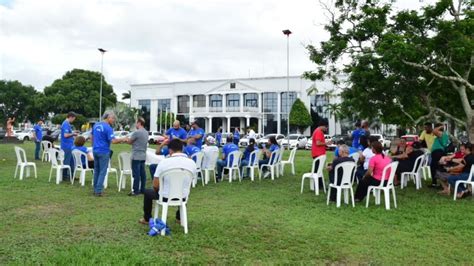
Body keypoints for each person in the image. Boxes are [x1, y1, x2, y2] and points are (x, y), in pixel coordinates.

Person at [138, 139, 196, 225]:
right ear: (182, 149)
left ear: (170, 150)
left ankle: (147, 218)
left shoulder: (164, 162)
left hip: (165, 196)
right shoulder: (192, 163)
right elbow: (190, 182)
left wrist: (160, 190)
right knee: (183, 189)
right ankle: (179, 217)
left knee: (147, 192)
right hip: (183, 196)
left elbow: (155, 185)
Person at [91, 112, 125, 196]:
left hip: (95, 150)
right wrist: (123, 139)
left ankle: (95, 189)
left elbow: (92, 137)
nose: (113, 120)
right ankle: (98, 191)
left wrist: (93, 146)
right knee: (102, 171)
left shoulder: (96, 125)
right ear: (108, 118)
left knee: (96, 171)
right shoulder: (108, 128)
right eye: (113, 118)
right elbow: (113, 141)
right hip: (104, 151)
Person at [125, 117, 149, 196]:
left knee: (136, 174)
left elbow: (130, 141)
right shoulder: (146, 132)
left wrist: (125, 139)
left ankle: (135, 191)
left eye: (136, 123)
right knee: (143, 174)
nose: (135, 124)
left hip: (136, 155)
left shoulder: (137, 132)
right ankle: (142, 189)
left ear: (139, 123)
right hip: (143, 155)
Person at [430, 123, 449, 188]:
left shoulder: (441, 134)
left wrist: (440, 126)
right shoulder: (441, 134)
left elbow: (434, 131)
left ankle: (435, 183)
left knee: (435, 167)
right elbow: (433, 133)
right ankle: (440, 183)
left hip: (438, 153)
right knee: (438, 167)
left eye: (436, 127)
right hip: (438, 153)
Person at [61, 112, 78, 181]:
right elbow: (65, 135)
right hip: (66, 146)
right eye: (73, 119)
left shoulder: (67, 124)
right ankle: (65, 176)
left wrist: (73, 132)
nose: (73, 120)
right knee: (66, 162)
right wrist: (73, 134)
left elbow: (68, 133)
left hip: (69, 146)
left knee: (72, 162)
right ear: (70, 117)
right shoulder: (65, 124)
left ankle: (72, 176)